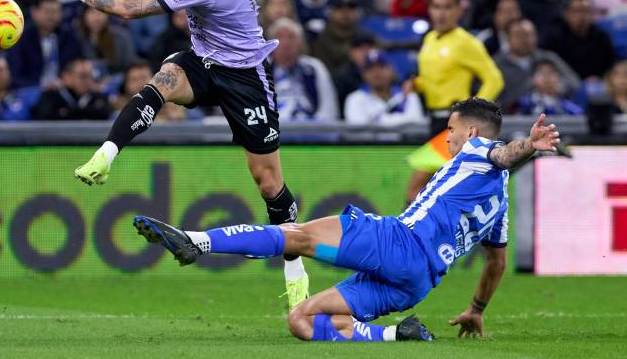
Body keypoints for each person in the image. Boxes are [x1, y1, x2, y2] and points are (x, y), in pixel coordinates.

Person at [32, 0, 349, 309]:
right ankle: (106, 154)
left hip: (246, 76)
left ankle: (295, 271)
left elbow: (129, 9)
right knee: (162, 80)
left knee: (268, 182)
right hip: (204, 62)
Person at [133, 98, 561, 342]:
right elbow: (496, 263)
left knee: (295, 235)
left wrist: (527, 144)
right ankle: (400, 335)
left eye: (450, 128)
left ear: (471, 133)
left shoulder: (474, 151)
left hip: (399, 243)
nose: (446, 136)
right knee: (301, 321)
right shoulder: (500, 205)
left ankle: (196, 242)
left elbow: (502, 153)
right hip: (419, 284)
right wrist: (476, 309)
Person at [412, 0, 504, 136]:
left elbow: (494, 79)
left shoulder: (466, 42)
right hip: (433, 118)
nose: (441, 13)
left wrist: (473, 111)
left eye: (447, 7)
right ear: (430, 10)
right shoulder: (429, 38)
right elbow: (434, 79)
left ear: (459, 11)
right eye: (436, 7)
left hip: (456, 121)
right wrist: (416, 85)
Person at [494, 19, 580, 110]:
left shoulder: (549, 58)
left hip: (554, 114)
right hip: (512, 117)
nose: (524, 39)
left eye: (528, 34)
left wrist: (558, 87)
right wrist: (533, 85)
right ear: (507, 38)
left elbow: (574, 82)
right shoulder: (497, 64)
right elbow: (496, 99)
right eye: (519, 35)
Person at [7, 0, 85, 88]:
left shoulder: (69, 36)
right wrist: (41, 86)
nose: (52, 16)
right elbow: (15, 75)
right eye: (47, 12)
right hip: (31, 89)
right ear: (34, 12)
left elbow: (78, 63)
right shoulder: (21, 38)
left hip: (63, 88)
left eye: (56, 12)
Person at [268, 19, 338, 122]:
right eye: (279, 37)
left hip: (311, 130)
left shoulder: (315, 67)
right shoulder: (260, 70)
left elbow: (328, 108)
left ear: (300, 43)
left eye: (291, 37)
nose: (285, 43)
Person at [542, 0, 617, 80]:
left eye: (586, 10)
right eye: (577, 11)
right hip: (565, 85)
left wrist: (599, 78)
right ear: (566, 14)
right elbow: (550, 67)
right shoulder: (555, 39)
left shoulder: (602, 37)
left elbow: (611, 65)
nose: (582, 16)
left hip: (598, 85)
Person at [344, 51, 426, 127]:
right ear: (363, 74)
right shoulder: (355, 99)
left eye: (381, 66)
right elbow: (359, 130)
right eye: (370, 68)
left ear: (392, 70)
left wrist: (378, 119)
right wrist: (399, 119)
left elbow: (415, 124)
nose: (376, 72)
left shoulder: (408, 95)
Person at [32, 58, 110, 120]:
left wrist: (67, 112)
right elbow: (43, 116)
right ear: (66, 77)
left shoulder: (98, 96)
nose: (87, 81)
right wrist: (88, 112)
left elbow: (104, 113)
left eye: (90, 77)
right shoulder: (52, 95)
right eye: (82, 76)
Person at [310, 0, 362, 76]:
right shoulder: (322, 42)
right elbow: (326, 75)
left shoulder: (364, 37)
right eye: (339, 8)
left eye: (351, 8)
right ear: (331, 12)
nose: (346, 12)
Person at [514, 59, 583, 116]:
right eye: (541, 73)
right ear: (533, 78)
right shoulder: (524, 104)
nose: (546, 77)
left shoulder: (570, 108)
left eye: (550, 72)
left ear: (558, 77)